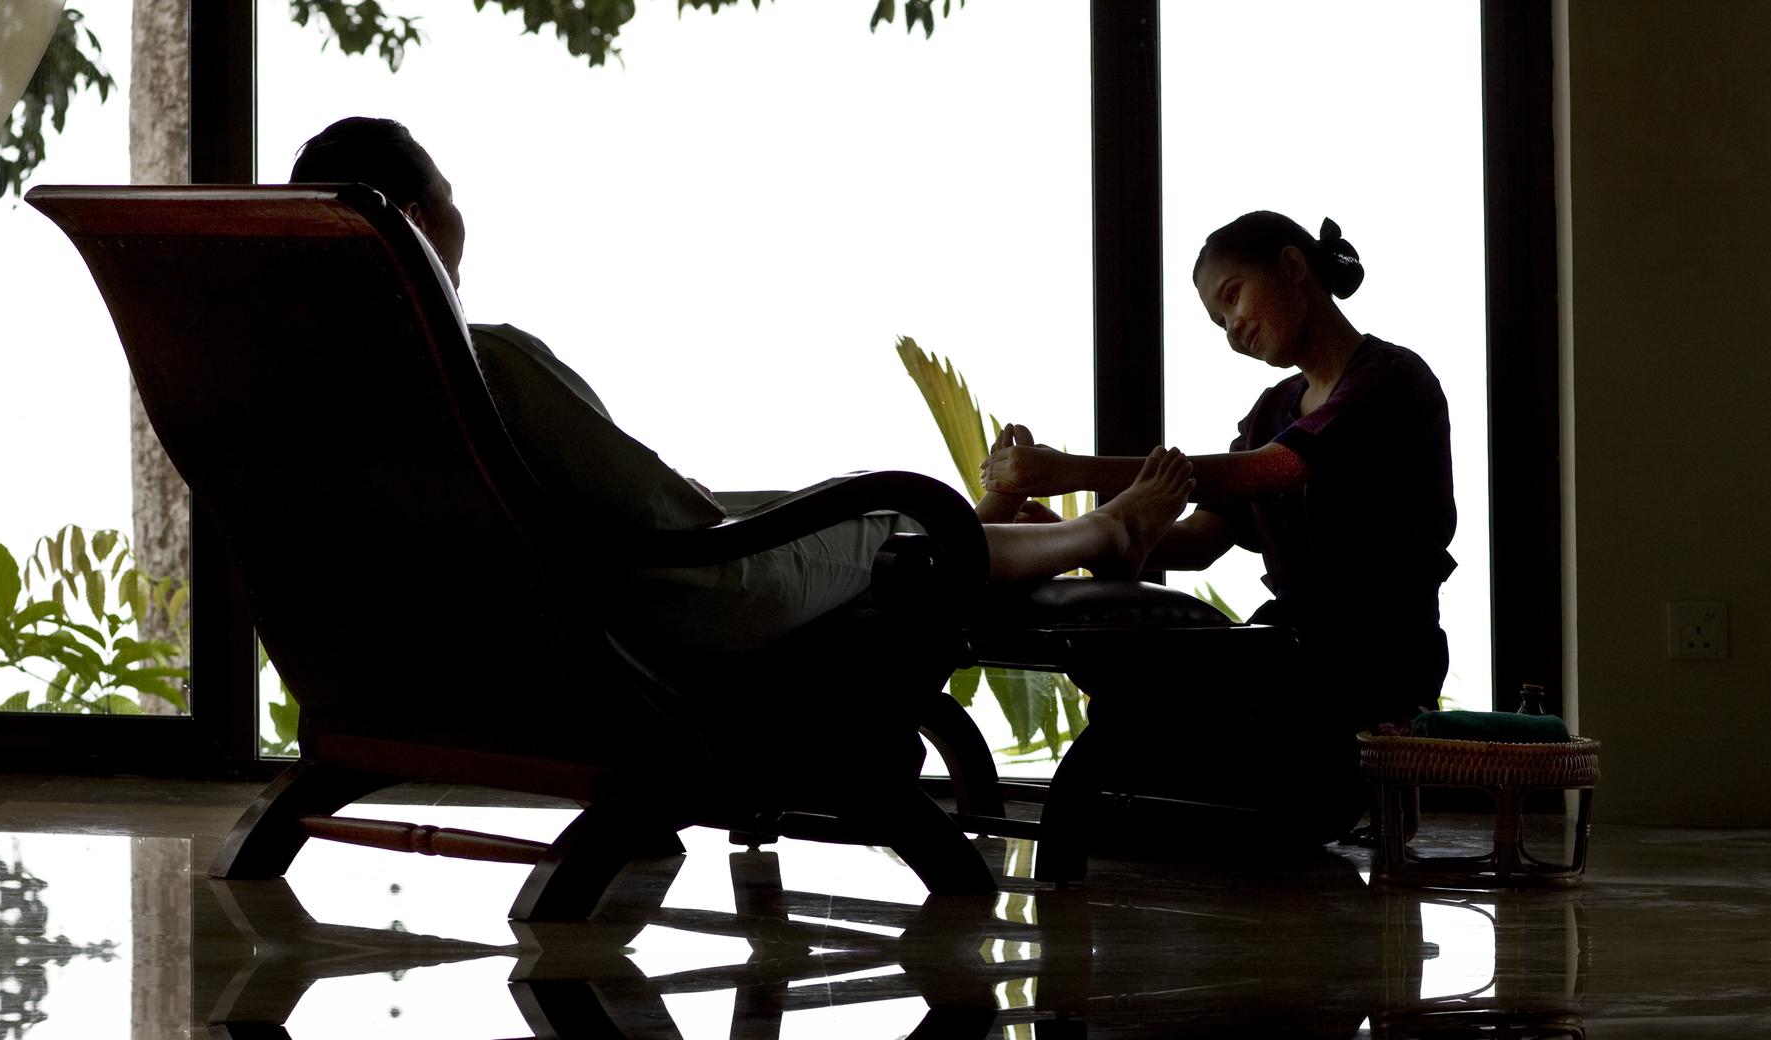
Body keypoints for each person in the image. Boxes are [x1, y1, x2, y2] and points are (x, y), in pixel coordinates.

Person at [287, 117, 1196, 657]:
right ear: (411, 219)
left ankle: (1006, 513)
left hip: (492, 622)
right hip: (664, 604)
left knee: (836, 504)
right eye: (448, 194)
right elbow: (651, 510)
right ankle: (1102, 525)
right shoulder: (484, 362)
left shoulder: (324, 388)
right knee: (897, 519)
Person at [978, 210, 1456, 733]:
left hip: (1379, 654)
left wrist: (1071, 472)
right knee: (1128, 711)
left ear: (1293, 266)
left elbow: (1271, 471)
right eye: (1219, 322)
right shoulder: (1270, 412)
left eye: (1232, 297)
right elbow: (1200, 540)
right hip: (1287, 640)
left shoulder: (1389, 379)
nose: (1232, 331)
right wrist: (1064, 539)